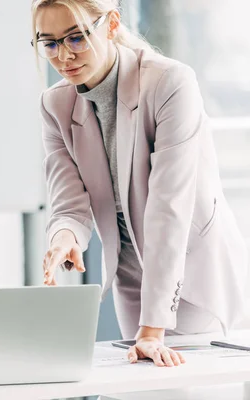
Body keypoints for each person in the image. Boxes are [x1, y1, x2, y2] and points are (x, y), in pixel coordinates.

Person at [32, 0, 248, 367]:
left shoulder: (170, 82)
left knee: (182, 385)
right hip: (130, 271)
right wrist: (63, 238)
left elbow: (170, 207)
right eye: (49, 43)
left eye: (76, 37)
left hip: (189, 266)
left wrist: (152, 329)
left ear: (112, 24)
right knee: (138, 383)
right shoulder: (55, 104)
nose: (63, 56)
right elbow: (69, 201)